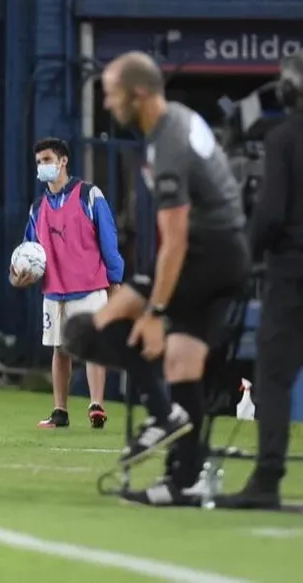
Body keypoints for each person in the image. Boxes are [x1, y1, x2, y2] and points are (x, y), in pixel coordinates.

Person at [62, 52, 249, 507]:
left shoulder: (168, 141)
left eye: (111, 92)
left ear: (138, 94)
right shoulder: (179, 121)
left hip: (205, 256)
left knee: (85, 329)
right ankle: (185, 480)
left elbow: (178, 238)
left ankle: (162, 415)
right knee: (183, 365)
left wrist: (155, 312)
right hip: (227, 256)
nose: (107, 103)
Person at [218, 50, 303, 510]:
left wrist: (243, 255)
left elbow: (271, 213)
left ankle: (267, 480)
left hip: (293, 277)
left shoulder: (284, 138)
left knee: (273, 378)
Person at [12, 137, 124, 429]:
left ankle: (96, 405)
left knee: (93, 347)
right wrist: (18, 275)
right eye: (38, 162)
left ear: (63, 161)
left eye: (47, 160)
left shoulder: (89, 195)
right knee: (59, 350)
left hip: (89, 285)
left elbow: (108, 240)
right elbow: (28, 251)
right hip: (54, 290)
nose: (42, 167)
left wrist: (115, 281)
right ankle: (60, 411)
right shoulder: (38, 208)